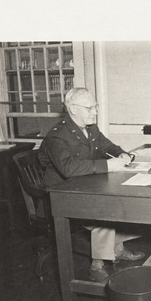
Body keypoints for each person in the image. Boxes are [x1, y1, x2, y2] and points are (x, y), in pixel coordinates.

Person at [38, 87, 144, 281]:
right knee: (105, 209)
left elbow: (107, 146)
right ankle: (97, 265)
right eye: (89, 108)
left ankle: (117, 249)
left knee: (118, 201)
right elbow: (68, 169)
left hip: (85, 184)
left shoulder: (91, 128)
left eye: (95, 107)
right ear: (72, 109)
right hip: (61, 193)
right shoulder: (57, 136)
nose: (95, 112)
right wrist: (107, 165)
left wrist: (122, 153)